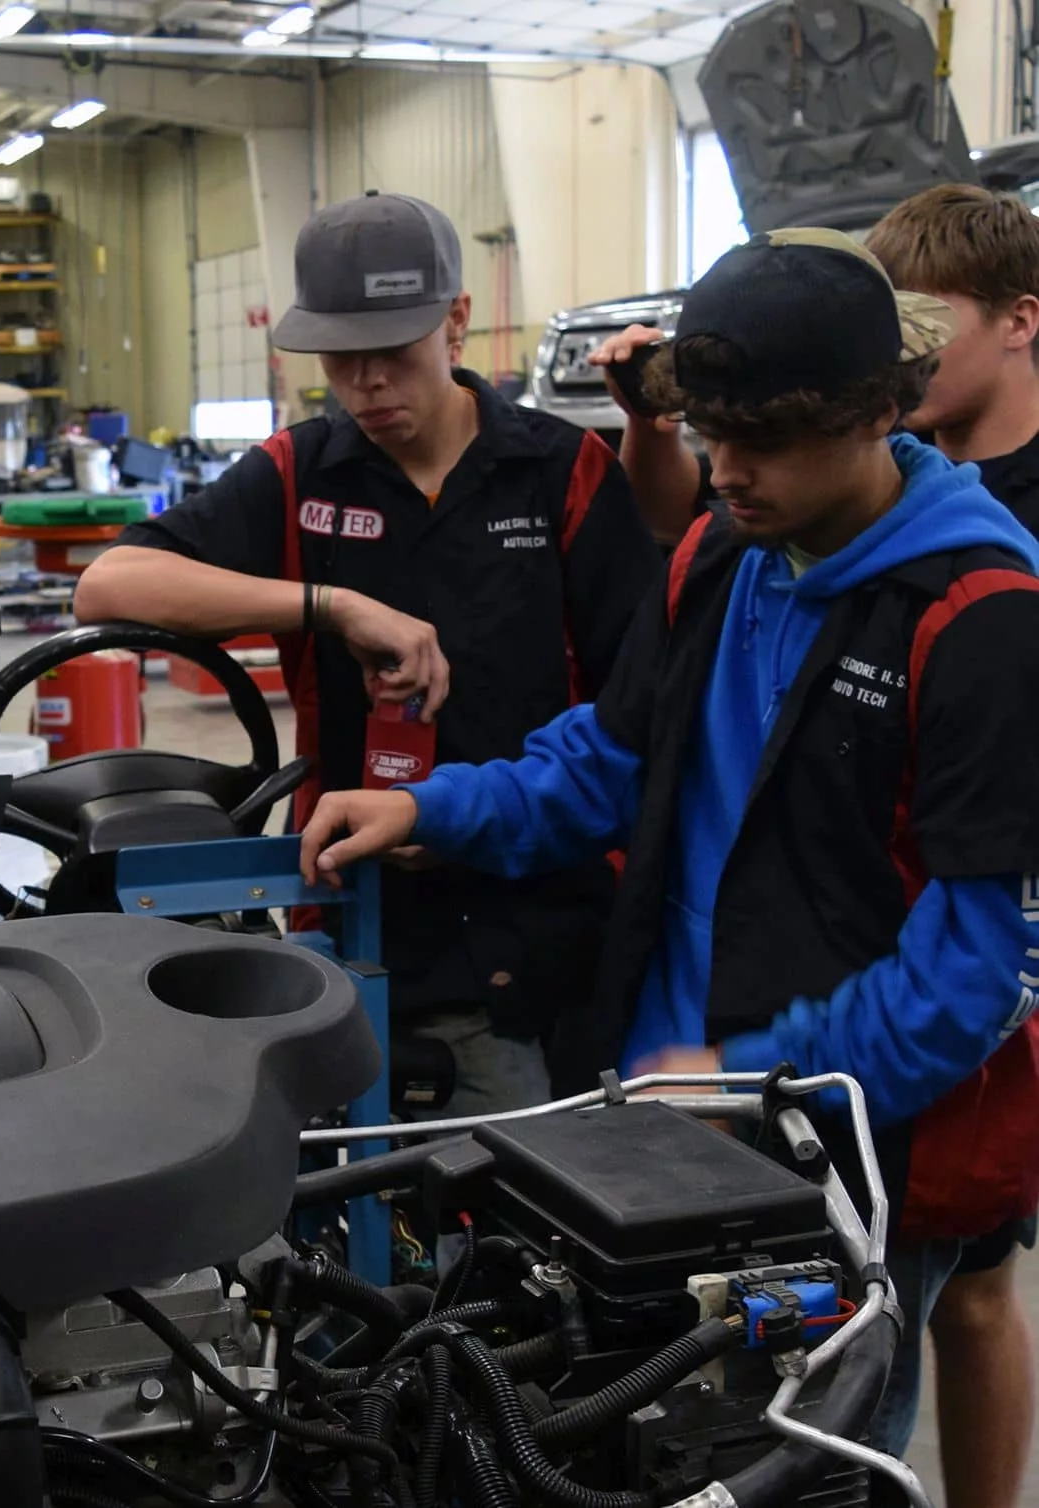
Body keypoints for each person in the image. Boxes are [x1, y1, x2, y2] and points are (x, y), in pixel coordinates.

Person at [297, 228, 1039, 1461]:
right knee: (646, 1448)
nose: (725, 468)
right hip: (664, 1105)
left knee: (802, 1464)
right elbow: (617, 756)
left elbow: (970, 972)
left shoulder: (979, 619)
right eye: (710, 434)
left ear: (872, 413)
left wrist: (752, 1077)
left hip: (830, 1150)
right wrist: (435, 809)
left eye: (762, 441)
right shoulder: (722, 548)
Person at [74, 191, 660, 1114]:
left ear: (457, 322)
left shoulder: (563, 470)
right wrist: (330, 605)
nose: (368, 385)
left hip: (539, 913)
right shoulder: (301, 473)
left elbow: (636, 704)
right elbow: (108, 586)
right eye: (343, 361)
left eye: (392, 352)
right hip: (356, 909)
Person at [863, 183, 1039, 1508]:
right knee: (950, 1281)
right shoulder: (881, 485)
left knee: (961, 1292)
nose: (905, 355)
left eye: (929, 325)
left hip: (1002, 938)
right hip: (882, 923)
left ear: (1019, 323)